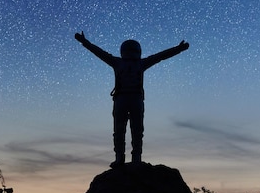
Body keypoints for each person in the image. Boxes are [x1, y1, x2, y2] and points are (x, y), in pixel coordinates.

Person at [74, 31, 189, 168]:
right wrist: (84, 42)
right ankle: (125, 158)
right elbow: (161, 56)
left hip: (130, 99)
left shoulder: (124, 62)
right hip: (127, 98)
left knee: (132, 129)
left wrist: (178, 49)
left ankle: (131, 158)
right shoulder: (129, 63)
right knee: (126, 129)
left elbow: (161, 56)